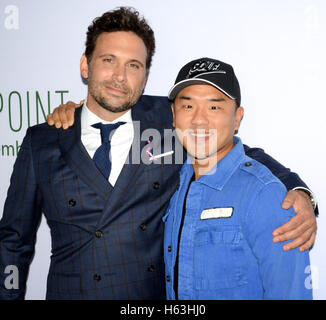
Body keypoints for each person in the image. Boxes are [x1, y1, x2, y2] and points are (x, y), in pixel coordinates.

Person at [0, 7, 316, 300]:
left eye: (133, 66)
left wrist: (299, 192)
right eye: (108, 60)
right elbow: (13, 240)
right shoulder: (42, 141)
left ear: (146, 75)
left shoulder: (168, 121)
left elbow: (233, 148)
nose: (120, 76)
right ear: (86, 65)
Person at [163, 57, 312, 300]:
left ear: (238, 117)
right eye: (188, 106)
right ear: (173, 114)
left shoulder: (267, 194)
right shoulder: (173, 182)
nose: (199, 119)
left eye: (214, 107)